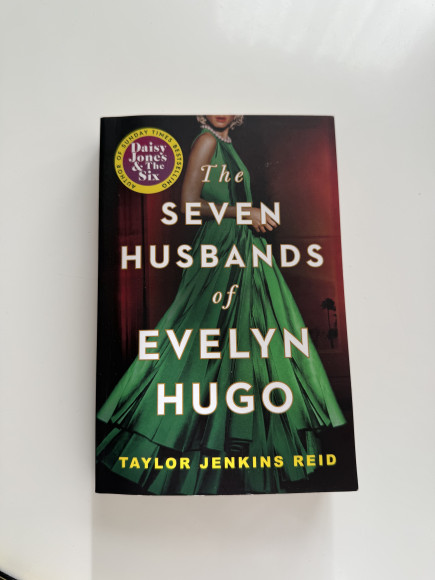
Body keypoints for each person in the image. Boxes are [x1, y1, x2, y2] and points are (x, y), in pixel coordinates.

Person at [97, 115, 346, 494]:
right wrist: (246, 212)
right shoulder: (206, 141)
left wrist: (251, 216)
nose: (220, 110)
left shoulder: (226, 145)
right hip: (221, 247)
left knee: (248, 342)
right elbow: (188, 204)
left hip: (241, 246)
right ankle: (166, 432)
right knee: (200, 339)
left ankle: (236, 453)